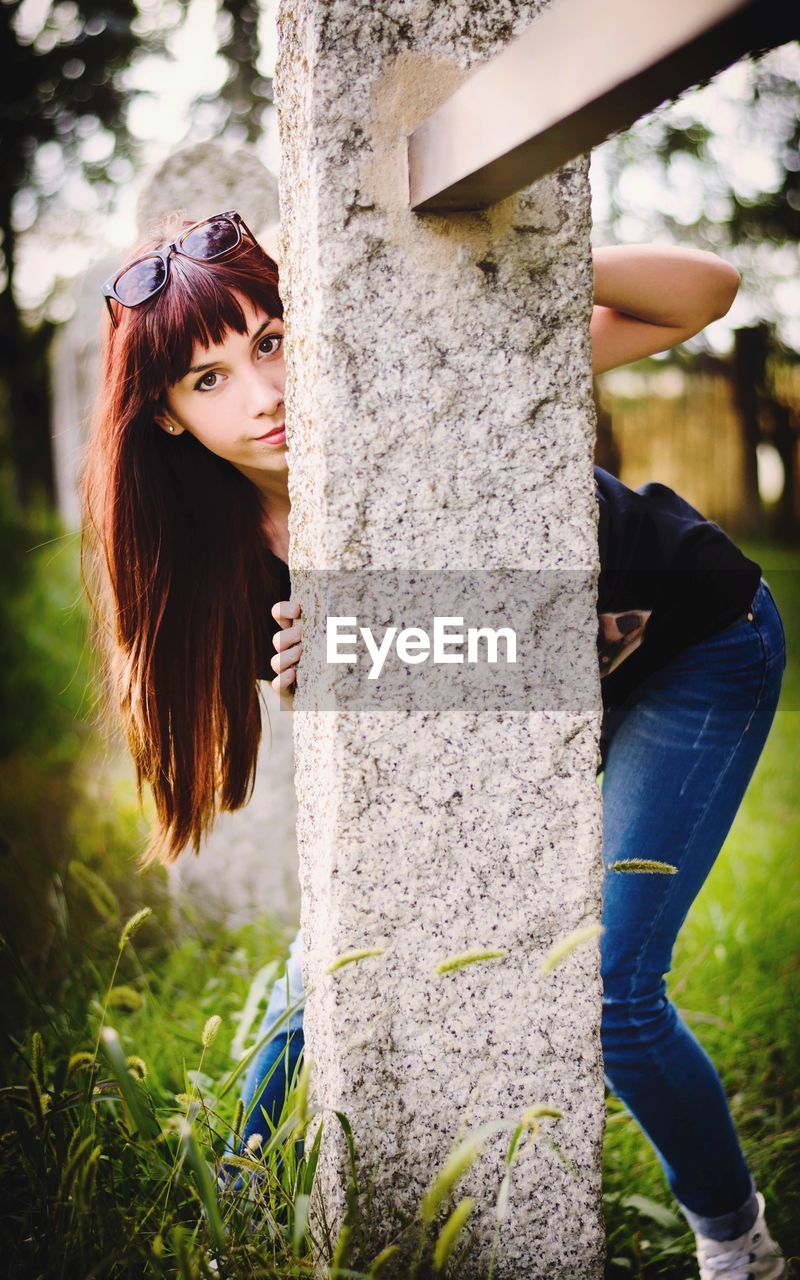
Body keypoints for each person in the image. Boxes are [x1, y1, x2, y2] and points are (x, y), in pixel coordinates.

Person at [81, 211, 787, 1279]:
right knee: (333, 943)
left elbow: (703, 290)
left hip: (693, 643)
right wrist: (366, 655)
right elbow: (482, 658)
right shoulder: (218, 553)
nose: (263, 395)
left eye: (272, 340)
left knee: (607, 986)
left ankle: (739, 1246)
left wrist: (439, 278)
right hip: (525, 689)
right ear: (168, 416)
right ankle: (231, 1193)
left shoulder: (422, 375)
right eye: (207, 377)